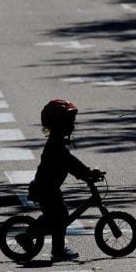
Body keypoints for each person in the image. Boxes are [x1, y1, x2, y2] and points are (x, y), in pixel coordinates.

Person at [18, 99, 105, 262]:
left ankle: (33, 234)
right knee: (60, 216)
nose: (72, 125)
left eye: (72, 122)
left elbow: (71, 164)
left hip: (49, 188)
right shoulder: (55, 146)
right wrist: (87, 173)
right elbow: (72, 164)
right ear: (57, 124)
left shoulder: (58, 143)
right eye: (68, 122)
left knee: (57, 216)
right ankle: (55, 249)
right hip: (45, 189)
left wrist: (86, 173)